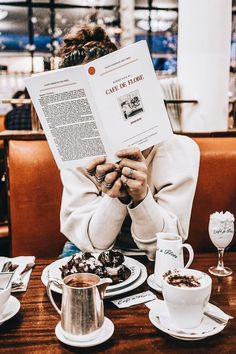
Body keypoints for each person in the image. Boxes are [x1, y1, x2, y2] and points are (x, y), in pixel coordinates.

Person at [59, 25, 200, 260]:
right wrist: (117, 197)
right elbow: (93, 244)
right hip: (87, 253)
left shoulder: (180, 151)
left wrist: (141, 195)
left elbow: (163, 249)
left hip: (152, 259)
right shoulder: (77, 155)